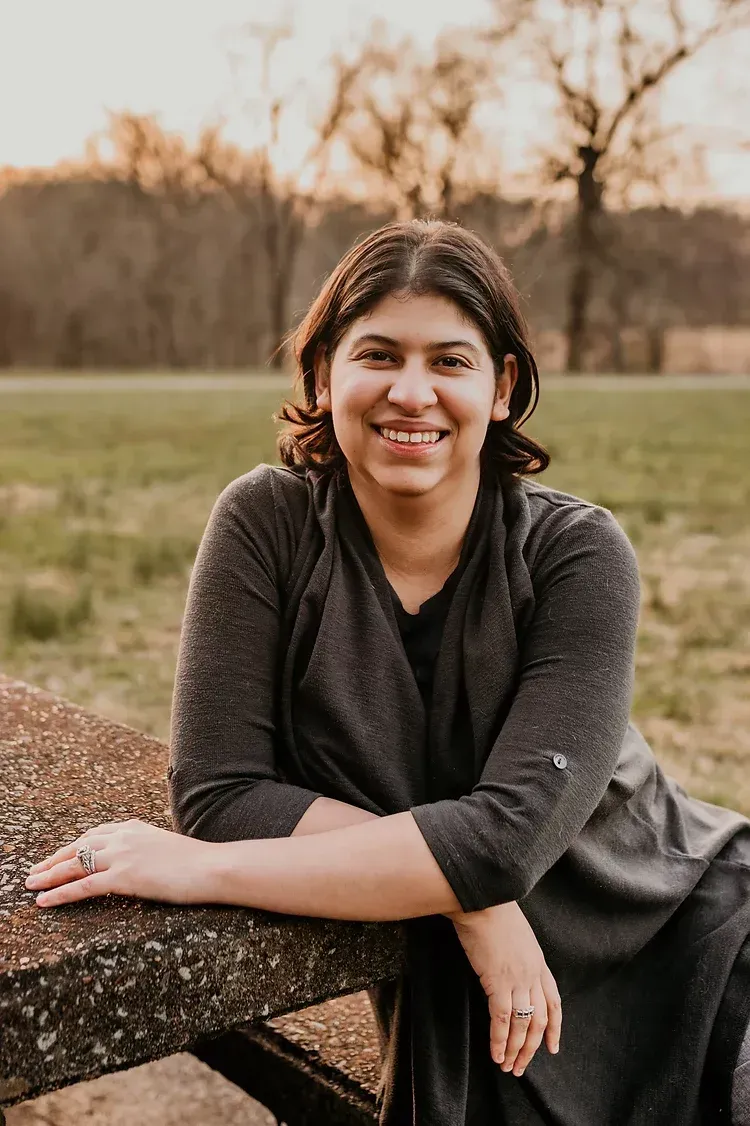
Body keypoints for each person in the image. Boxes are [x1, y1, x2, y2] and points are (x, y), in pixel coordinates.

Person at [26, 219, 750, 1125]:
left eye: (451, 361)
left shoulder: (578, 552)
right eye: (378, 354)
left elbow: (505, 842)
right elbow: (220, 794)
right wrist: (473, 912)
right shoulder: (267, 525)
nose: (413, 393)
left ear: (503, 387)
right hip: (479, 1001)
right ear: (324, 373)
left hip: (692, 936)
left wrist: (197, 872)